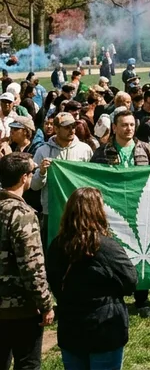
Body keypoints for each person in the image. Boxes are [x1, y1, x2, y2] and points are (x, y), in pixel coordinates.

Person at [46, 187, 137, 370]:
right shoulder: (106, 247)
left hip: (71, 328)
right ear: (97, 212)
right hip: (104, 329)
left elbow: (53, 281)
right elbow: (131, 281)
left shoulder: (57, 245)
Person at [0, 153, 54, 369]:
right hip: (21, 308)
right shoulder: (22, 214)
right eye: (32, 172)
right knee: (27, 364)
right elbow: (32, 266)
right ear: (24, 178)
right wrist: (45, 303)